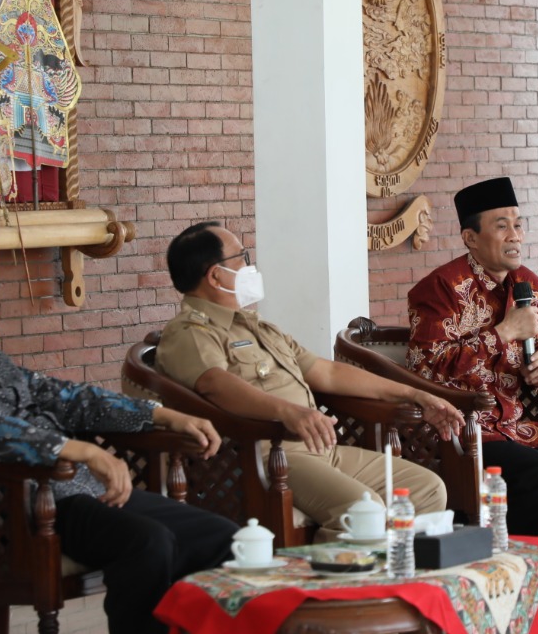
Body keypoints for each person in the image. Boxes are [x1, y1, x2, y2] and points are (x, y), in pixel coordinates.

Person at [0, 243, 235, 634]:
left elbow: (66, 397)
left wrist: (161, 415)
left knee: (223, 538)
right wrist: (82, 452)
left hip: (80, 494)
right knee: (148, 543)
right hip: (27, 507)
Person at [156, 222, 461, 543]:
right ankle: (330, 573)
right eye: (241, 257)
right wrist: (288, 412)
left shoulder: (256, 326)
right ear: (216, 276)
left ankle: (398, 569)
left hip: (319, 448)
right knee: (364, 510)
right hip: (267, 453)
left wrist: (414, 393)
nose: (249, 266)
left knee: (427, 488)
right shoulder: (190, 332)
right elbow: (215, 384)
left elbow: (327, 373)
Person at [406, 178, 538, 544]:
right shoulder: (440, 288)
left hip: (517, 426)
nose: (515, 236)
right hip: (461, 431)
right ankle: (512, 557)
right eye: (502, 226)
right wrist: (503, 333)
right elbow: (426, 366)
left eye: (519, 225)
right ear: (471, 238)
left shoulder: (530, 286)